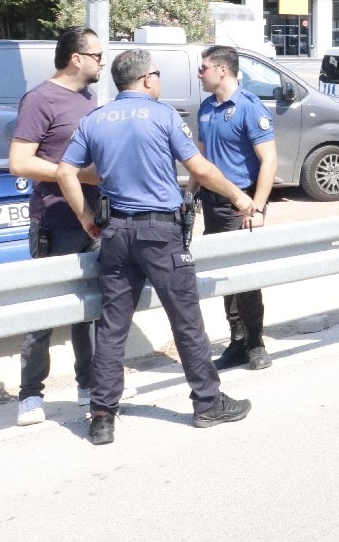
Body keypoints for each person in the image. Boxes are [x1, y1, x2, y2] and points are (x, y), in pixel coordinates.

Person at [55, 49, 255, 445]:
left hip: (114, 235)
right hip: (160, 235)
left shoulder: (94, 120)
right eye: (159, 75)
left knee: (112, 326)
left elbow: (66, 171)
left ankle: (101, 416)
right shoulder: (163, 116)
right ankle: (207, 403)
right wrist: (240, 197)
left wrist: (86, 219)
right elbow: (199, 169)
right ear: (148, 79)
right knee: (186, 320)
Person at [7, 27, 131, 425]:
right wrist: (78, 176)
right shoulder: (39, 99)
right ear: (77, 58)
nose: (102, 62)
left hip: (94, 219)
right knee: (44, 312)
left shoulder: (89, 98)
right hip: (56, 220)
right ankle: (30, 395)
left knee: (89, 310)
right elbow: (20, 162)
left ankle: (88, 384)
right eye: (97, 55)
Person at [195, 45, 278, 370]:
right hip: (213, 203)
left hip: (242, 203)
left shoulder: (248, 107)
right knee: (224, 275)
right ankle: (237, 340)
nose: (199, 74)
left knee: (244, 273)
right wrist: (190, 193)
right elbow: (201, 158)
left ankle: (255, 341)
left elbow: (268, 160)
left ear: (222, 70)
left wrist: (257, 207)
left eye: (204, 68)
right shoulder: (206, 108)